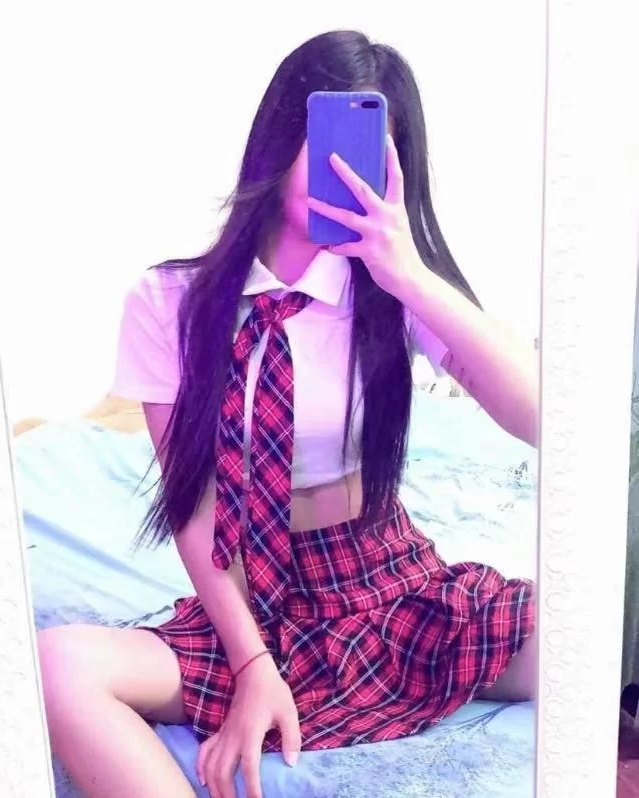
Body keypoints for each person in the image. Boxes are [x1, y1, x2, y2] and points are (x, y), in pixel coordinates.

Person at [37, 30, 539, 798]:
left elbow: (547, 418)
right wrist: (251, 663)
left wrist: (409, 272)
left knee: (596, 627)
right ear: (279, 135)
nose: (337, 169)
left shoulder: (388, 294)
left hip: (388, 581)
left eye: (363, 152)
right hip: (253, 596)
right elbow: (193, 505)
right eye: (321, 139)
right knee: (58, 666)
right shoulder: (170, 303)